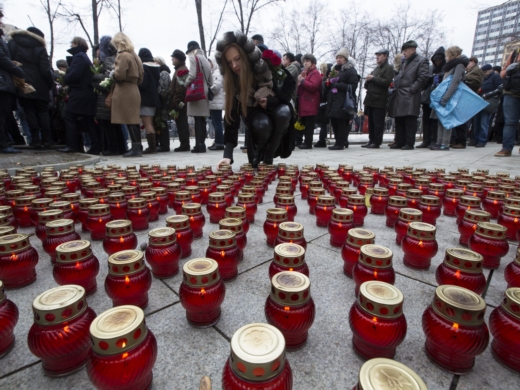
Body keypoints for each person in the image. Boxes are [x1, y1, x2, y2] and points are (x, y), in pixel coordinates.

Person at [215, 30, 295, 168]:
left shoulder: (265, 65)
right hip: (254, 116)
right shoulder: (233, 80)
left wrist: (270, 102)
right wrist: (227, 155)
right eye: (229, 62)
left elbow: (289, 85)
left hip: (275, 108)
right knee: (262, 124)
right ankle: (256, 159)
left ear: (246, 55)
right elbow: (231, 119)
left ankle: (269, 156)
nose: (234, 65)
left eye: (237, 58)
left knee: (284, 112)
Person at [8, 26, 55, 148]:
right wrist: (49, 84)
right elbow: (45, 70)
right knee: (42, 112)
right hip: (40, 84)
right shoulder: (39, 48)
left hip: (23, 83)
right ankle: (47, 139)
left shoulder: (13, 44)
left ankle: (35, 140)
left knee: (29, 111)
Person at [58, 37, 100, 154]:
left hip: (79, 94)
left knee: (69, 117)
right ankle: (95, 146)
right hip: (86, 93)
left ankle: (72, 145)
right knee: (88, 120)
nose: (70, 45)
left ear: (76, 43)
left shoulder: (78, 57)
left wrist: (65, 77)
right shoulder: (84, 56)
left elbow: (75, 76)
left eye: (72, 43)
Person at [388, 40, 429, 150]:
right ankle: (400, 141)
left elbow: (423, 77)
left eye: (406, 51)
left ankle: (409, 143)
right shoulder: (405, 63)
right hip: (400, 94)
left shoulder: (421, 61)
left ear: (413, 50)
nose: (404, 53)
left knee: (409, 120)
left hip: (410, 94)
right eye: (403, 51)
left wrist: (412, 89)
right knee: (399, 120)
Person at [109, 32, 144, 158]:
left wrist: (112, 74)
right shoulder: (134, 55)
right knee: (133, 120)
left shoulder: (122, 56)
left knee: (129, 120)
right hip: (134, 88)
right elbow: (141, 76)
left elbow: (119, 75)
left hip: (125, 88)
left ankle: (135, 148)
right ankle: (137, 146)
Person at [92, 35, 126, 156]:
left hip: (107, 96)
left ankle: (113, 148)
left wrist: (94, 78)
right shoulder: (115, 58)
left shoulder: (108, 60)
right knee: (114, 124)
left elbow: (109, 78)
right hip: (112, 95)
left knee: (109, 124)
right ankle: (121, 147)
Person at [430, 46, 469, 151]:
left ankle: (445, 143)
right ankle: (439, 142)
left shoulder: (459, 66)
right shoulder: (450, 66)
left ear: (451, 55)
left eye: (447, 55)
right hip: (444, 95)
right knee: (440, 120)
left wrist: (446, 97)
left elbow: (455, 82)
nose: (446, 58)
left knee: (446, 121)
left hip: (450, 97)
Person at [0, 7, 25, 153]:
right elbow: (2, 57)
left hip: (4, 81)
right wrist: (17, 70)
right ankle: (3, 144)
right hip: (2, 82)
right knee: (2, 114)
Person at [324, 48, 358, 150]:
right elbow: (330, 84)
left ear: (346, 59)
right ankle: (340, 141)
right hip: (333, 100)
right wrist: (328, 83)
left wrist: (338, 85)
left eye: (341, 57)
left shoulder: (351, 71)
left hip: (344, 101)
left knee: (341, 122)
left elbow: (353, 87)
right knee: (334, 122)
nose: (338, 60)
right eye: (337, 57)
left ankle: (340, 143)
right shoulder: (335, 70)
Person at [185, 41, 213, 153]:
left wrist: (185, 84)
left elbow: (192, 75)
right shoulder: (205, 59)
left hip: (196, 90)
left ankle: (199, 145)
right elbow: (210, 81)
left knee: (197, 118)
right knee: (202, 119)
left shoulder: (193, 58)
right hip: (204, 91)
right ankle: (202, 143)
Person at [362, 49, 394, 148]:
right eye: (377, 55)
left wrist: (373, 78)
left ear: (385, 56)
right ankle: (371, 140)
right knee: (371, 122)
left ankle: (377, 141)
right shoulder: (376, 69)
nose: (377, 57)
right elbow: (367, 86)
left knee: (378, 123)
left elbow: (387, 82)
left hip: (380, 100)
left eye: (380, 55)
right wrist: (368, 80)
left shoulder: (388, 68)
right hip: (370, 99)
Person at [418, 47, 445, 148]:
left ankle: (435, 140)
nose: (437, 62)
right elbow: (424, 84)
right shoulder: (431, 69)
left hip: (438, 97)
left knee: (435, 121)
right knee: (426, 120)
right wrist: (428, 79)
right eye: (436, 60)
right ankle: (426, 140)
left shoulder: (445, 69)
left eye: (439, 60)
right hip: (428, 97)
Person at [495, 48, 520, 157]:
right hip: (511, 92)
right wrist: (508, 70)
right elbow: (502, 74)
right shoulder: (515, 53)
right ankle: (506, 148)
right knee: (510, 121)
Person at [472, 64, 503, 148]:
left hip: (489, 101)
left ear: (490, 70)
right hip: (481, 100)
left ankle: (482, 140)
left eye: (485, 72)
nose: (484, 73)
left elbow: (500, 88)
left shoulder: (496, 77)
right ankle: (476, 139)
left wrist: (488, 95)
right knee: (477, 122)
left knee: (484, 122)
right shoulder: (484, 78)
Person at [137, 48, 161, 154]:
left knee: (147, 124)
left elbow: (143, 84)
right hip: (153, 99)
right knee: (150, 123)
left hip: (146, 99)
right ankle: (153, 146)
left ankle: (152, 147)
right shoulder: (155, 68)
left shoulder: (144, 68)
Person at [296, 53, 321, 149]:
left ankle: (308, 143)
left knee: (309, 124)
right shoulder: (305, 73)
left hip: (311, 102)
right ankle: (305, 142)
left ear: (312, 62)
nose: (305, 63)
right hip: (305, 102)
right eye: (304, 62)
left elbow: (313, 86)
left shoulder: (315, 73)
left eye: (307, 61)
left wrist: (302, 81)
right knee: (305, 123)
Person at [168, 49, 190, 152]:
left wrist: (175, 102)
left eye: (173, 57)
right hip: (181, 100)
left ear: (177, 59)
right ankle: (184, 143)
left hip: (181, 101)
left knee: (182, 122)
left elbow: (181, 88)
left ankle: (184, 144)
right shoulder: (179, 69)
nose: (172, 59)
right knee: (181, 122)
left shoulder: (182, 70)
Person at [153, 56, 172, 152]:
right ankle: (161, 144)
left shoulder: (163, 73)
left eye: (155, 61)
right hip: (160, 102)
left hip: (163, 102)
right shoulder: (159, 73)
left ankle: (164, 145)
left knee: (163, 123)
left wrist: (156, 94)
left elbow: (163, 89)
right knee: (159, 123)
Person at [208, 58, 225, 151]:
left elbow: (216, 87)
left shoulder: (217, 72)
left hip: (216, 102)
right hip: (215, 102)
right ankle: (218, 141)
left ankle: (219, 143)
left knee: (217, 123)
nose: (208, 64)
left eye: (209, 62)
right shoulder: (214, 72)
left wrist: (208, 89)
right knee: (216, 122)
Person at [314, 63, 332, 147]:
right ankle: (322, 139)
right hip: (326, 104)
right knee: (323, 124)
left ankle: (322, 140)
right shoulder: (325, 80)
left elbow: (323, 93)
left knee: (323, 124)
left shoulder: (325, 81)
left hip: (323, 104)